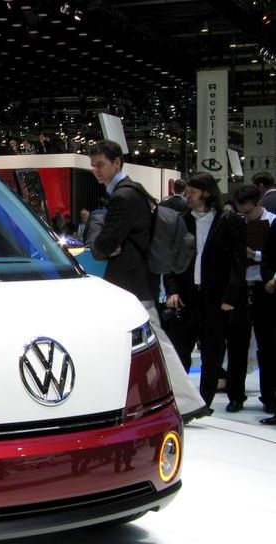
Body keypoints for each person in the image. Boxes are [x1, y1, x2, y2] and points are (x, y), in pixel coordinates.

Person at [87, 140, 208, 422]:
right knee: (151, 341)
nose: (96, 170)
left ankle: (187, 403)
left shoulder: (123, 197)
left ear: (117, 162)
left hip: (130, 282)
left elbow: (104, 244)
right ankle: (182, 402)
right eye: (93, 165)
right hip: (140, 279)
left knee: (156, 342)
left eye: (100, 164)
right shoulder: (136, 191)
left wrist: (101, 246)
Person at [163, 172, 246, 410]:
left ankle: (203, 403)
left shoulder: (229, 221)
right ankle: (181, 402)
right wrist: (171, 290)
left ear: (207, 193)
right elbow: (170, 259)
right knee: (180, 352)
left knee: (212, 353)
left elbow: (237, 262)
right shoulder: (181, 221)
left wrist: (230, 296)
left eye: (193, 192)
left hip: (216, 298)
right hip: (186, 296)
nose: (187, 195)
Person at [225, 184, 276, 413]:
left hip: (266, 288)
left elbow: (273, 256)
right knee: (237, 345)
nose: (245, 216)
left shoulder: (273, 222)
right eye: (242, 212)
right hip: (240, 288)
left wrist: (254, 254)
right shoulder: (236, 223)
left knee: (268, 345)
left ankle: (269, 396)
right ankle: (236, 396)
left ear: (259, 203)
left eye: (248, 212)